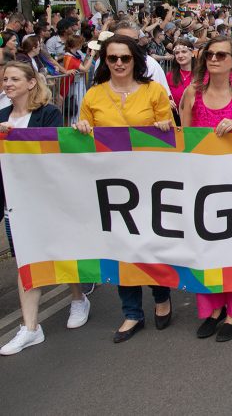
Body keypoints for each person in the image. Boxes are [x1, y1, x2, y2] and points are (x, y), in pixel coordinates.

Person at [73, 35, 174, 343]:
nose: (118, 63)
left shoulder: (153, 90)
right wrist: (81, 129)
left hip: (149, 182)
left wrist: (163, 127)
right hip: (110, 184)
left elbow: (171, 134)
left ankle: (161, 298)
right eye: (113, 58)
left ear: (135, 61)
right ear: (105, 61)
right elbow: (82, 134)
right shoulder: (93, 95)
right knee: (120, 248)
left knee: (151, 242)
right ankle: (131, 313)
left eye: (125, 58)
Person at [0, 63, 92, 356]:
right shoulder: (1, 116)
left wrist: (12, 138)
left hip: (46, 198)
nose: (8, 83)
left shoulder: (47, 113)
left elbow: (53, 150)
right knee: (26, 260)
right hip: (14, 203)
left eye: (14, 78)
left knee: (58, 250)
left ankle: (78, 297)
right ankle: (30, 328)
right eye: (5, 79)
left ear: (30, 83)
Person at [179, 36, 232, 342]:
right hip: (202, 184)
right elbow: (184, 138)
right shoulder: (192, 93)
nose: (214, 59)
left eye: (221, 55)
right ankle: (213, 308)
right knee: (207, 247)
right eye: (209, 54)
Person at [166, 37, 195, 104]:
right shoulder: (169, 76)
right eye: (177, 53)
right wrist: (168, 101)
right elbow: (165, 95)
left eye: (184, 52)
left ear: (192, 53)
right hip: (176, 113)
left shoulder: (202, 75)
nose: (180, 55)